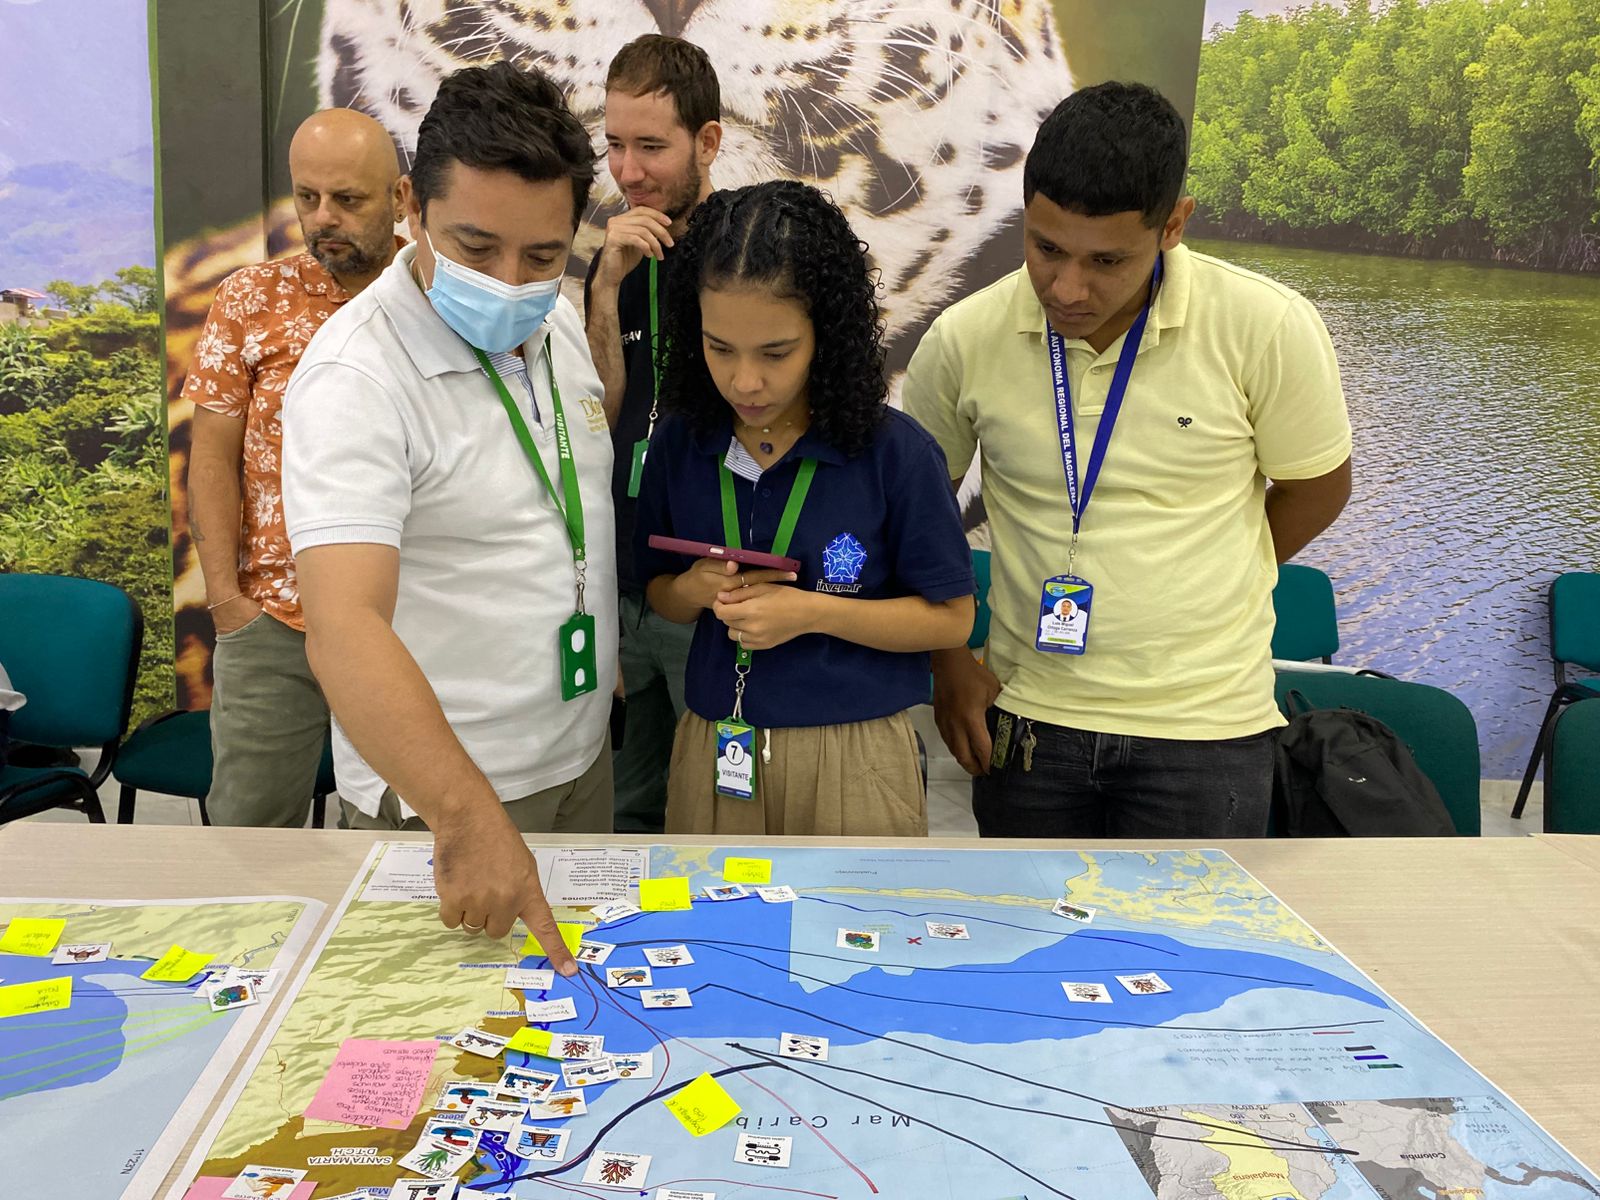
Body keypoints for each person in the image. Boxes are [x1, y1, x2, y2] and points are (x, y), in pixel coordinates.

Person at [903, 82, 1353, 839]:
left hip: (1207, 724)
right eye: (1046, 248)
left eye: (1108, 260)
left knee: (1188, 953)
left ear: (1174, 224)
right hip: (1029, 718)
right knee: (1027, 946)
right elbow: (919, 516)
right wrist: (950, 664)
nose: (1068, 288)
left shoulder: (1266, 326)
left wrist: (1213, 572)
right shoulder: (962, 339)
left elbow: (1317, 488)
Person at [281, 62, 615, 964]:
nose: (510, 282)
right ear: (408, 208)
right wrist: (465, 818)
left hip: (577, 760)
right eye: (475, 249)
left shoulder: (557, 325)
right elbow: (342, 625)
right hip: (450, 801)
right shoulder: (357, 376)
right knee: (436, 1074)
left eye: (542, 256)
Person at [633, 181, 976, 836]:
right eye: (719, 348)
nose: (745, 382)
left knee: (853, 934)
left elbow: (952, 619)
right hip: (715, 743)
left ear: (828, 334)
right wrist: (693, 588)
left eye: (776, 353)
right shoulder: (681, 442)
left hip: (855, 755)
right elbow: (657, 592)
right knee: (710, 934)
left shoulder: (894, 454)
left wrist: (811, 613)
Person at [183, 108, 403, 827]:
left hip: (402, 620)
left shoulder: (437, 301)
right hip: (273, 618)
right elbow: (211, 459)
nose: (324, 217)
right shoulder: (251, 300)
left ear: (400, 198)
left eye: (348, 199)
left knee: (397, 835)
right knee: (249, 836)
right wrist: (227, 604)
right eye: (307, 198)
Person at [583, 35, 723, 834]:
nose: (628, 172)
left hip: (705, 582)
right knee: (627, 804)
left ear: (707, 141)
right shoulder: (619, 254)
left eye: (650, 146)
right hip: (623, 576)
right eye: (614, 145)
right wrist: (604, 288)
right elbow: (601, 410)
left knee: (705, 802)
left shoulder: (745, 242)